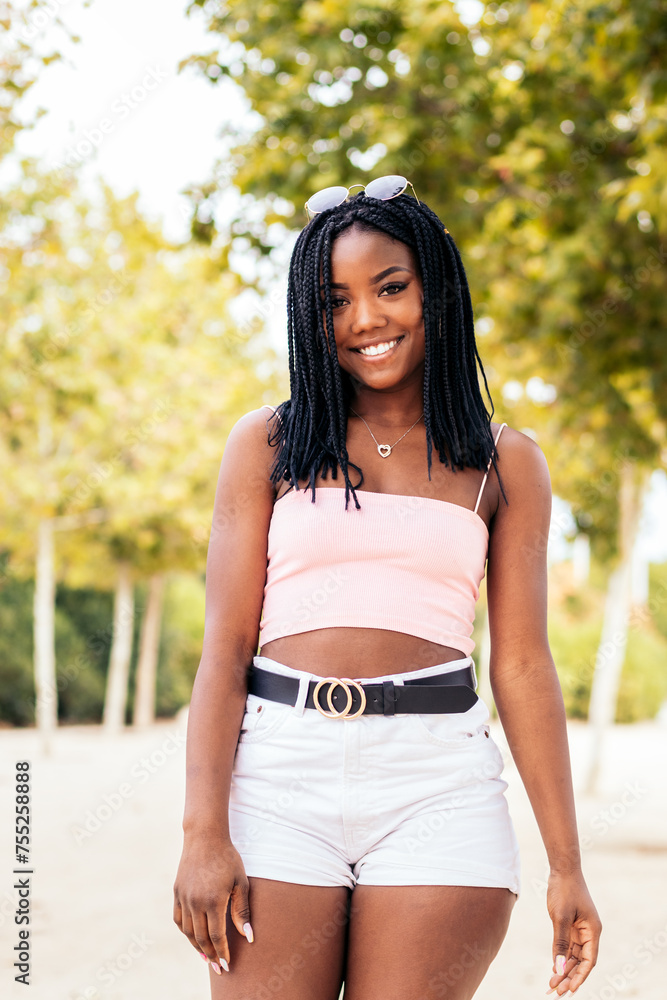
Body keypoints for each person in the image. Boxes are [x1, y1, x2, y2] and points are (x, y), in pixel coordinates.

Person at [173, 177, 602, 999]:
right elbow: (224, 651)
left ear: (435, 290)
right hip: (278, 777)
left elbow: (520, 668)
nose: (366, 320)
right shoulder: (268, 443)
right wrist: (202, 833)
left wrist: (566, 866)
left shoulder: (506, 463)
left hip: (437, 786)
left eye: (391, 288)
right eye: (336, 301)